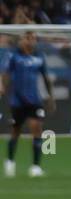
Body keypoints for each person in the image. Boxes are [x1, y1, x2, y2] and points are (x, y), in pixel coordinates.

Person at [3, 32, 55, 178]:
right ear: (21, 40)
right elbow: (5, 74)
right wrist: (2, 87)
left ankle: (35, 167)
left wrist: (51, 97)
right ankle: (10, 161)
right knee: (15, 131)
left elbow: (46, 77)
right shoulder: (14, 56)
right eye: (27, 38)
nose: (30, 41)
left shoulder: (39, 57)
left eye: (33, 39)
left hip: (35, 100)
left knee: (37, 129)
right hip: (17, 100)